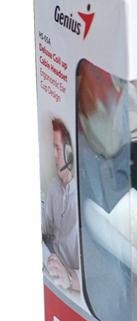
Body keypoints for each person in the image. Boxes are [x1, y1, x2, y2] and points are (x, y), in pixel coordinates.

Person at [42, 118, 80, 292]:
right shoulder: (53, 187)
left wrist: (69, 278)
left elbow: (97, 277)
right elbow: (48, 229)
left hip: (70, 284)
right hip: (51, 271)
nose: (54, 155)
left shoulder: (82, 198)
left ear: (69, 153)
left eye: (57, 148)